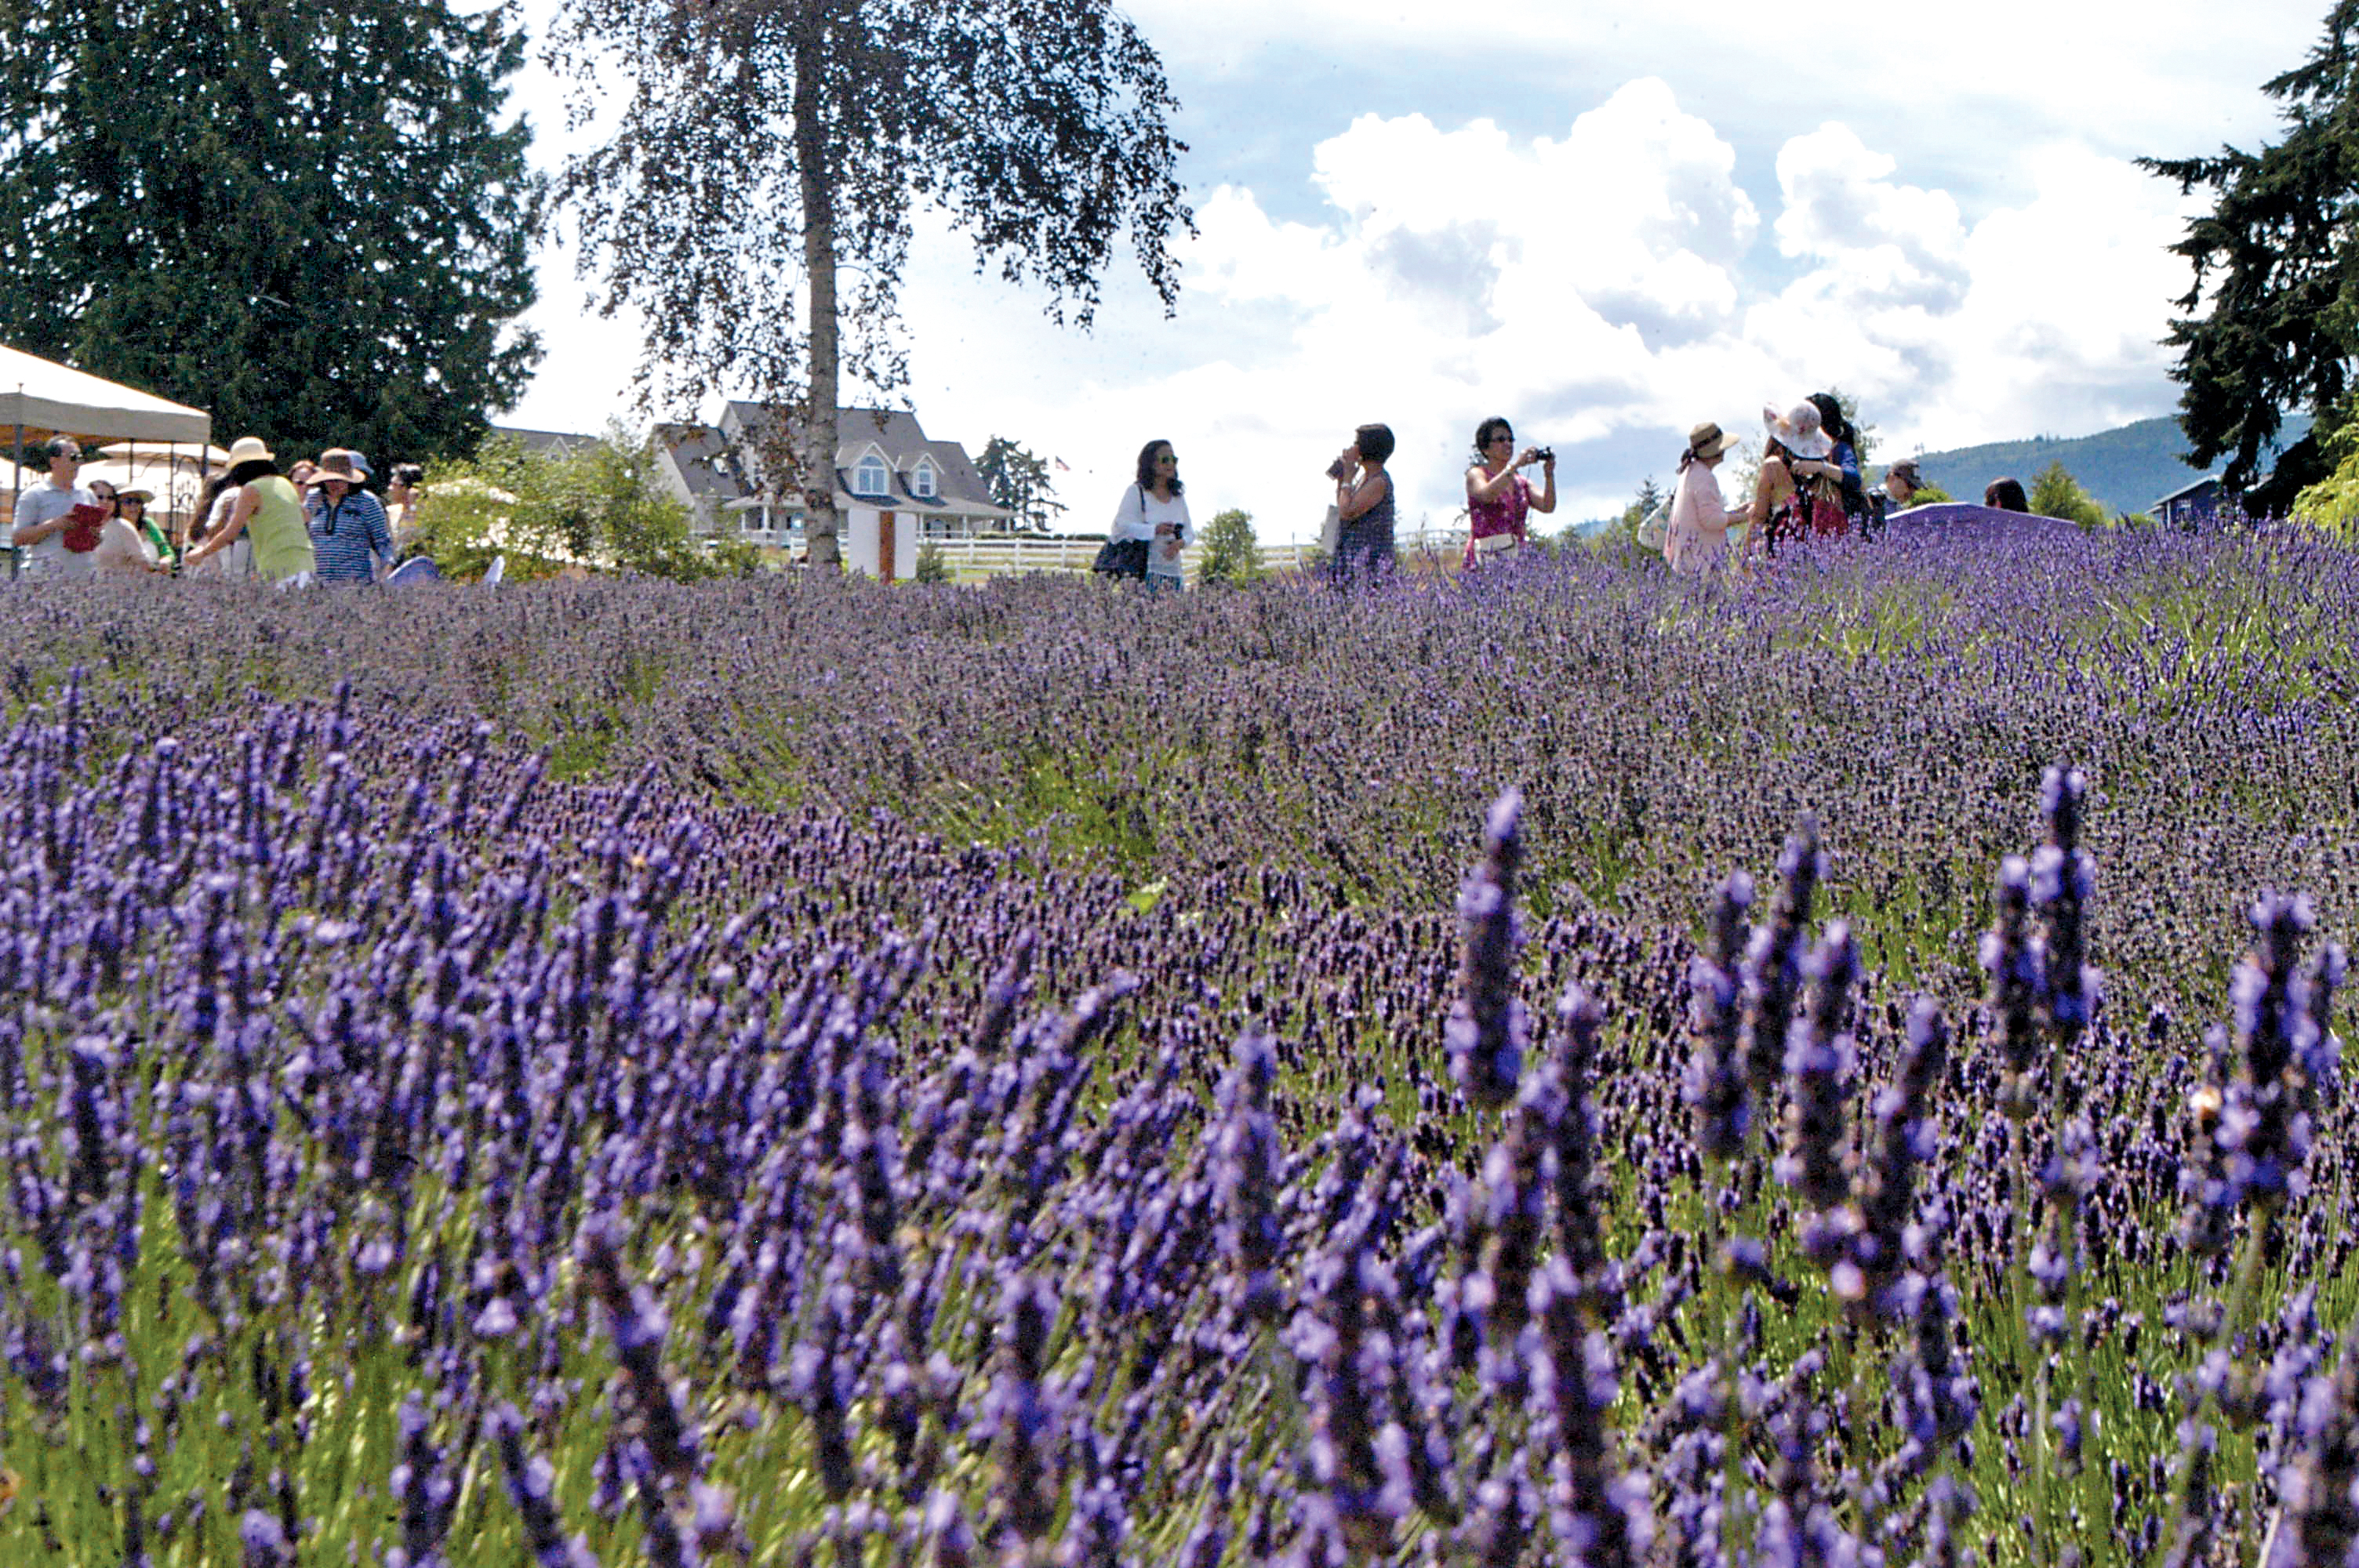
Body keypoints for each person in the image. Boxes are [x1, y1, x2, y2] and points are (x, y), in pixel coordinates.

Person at [180, 437, 315, 585]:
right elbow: (305, 517)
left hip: (278, 564)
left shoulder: (252, 489)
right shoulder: (285, 484)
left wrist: (203, 552)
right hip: (305, 561)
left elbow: (231, 532)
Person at [1745, 401, 1848, 559]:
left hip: (1783, 554)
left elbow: (1759, 516)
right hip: (1822, 555)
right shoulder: (1825, 467)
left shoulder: (1773, 466)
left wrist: (1747, 556)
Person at [1463, 416, 1555, 568]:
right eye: (1500, 440)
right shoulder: (1477, 474)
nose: (1507, 444)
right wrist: (1516, 465)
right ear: (1486, 449)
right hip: (1485, 559)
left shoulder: (1521, 483)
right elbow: (1486, 494)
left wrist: (1549, 475)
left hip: (1516, 558)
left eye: (1510, 440)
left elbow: (1547, 505)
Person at [10, 435, 105, 579]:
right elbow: (18, 538)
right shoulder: (34, 495)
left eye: (80, 458)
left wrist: (95, 533)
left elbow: (97, 540)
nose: (78, 463)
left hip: (84, 578)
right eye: (73, 457)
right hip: (46, 578)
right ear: (54, 461)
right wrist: (54, 525)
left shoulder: (87, 494)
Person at [1665, 421, 1749, 577]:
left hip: (1688, 560)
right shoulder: (1704, 477)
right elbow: (1711, 520)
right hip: (1701, 563)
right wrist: (1745, 517)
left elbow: (1706, 514)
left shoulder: (1691, 472)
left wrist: (1738, 510)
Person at [1110, 440, 1191, 593]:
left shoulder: (1178, 497)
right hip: (1143, 572)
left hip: (1174, 573)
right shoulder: (1136, 492)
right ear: (1151, 464)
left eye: (1173, 460)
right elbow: (1121, 526)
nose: (1171, 464)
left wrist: (1180, 543)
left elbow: (1190, 532)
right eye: (1165, 460)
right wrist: (1154, 530)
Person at [307, 447, 392, 583]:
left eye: (338, 480)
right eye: (329, 480)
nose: (333, 484)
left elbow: (382, 541)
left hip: (355, 583)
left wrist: (387, 569)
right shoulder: (313, 500)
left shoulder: (367, 502)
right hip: (318, 582)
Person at [1329, 423, 1397, 584]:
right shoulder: (1364, 479)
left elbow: (1348, 511)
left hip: (1370, 565)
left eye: (1356, 443)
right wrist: (1342, 480)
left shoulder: (1378, 482)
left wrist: (1347, 479)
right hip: (1348, 559)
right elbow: (1342, 508)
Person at [1805, 392, 1868, 530]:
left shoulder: (1840, 448)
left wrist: (1821, 467)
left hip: (1840, 524)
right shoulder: (1804, 451)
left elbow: (1853, 477)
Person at [111, 488, 177, 572]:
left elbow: (166, 551)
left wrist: (167, 561)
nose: (133, 505)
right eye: (128, 501)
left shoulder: (149, 525)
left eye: (137, 501)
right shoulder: (112, 529)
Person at [387, 463, 427, 554]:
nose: (390, 488)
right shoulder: (391, 513)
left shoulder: (424, 515)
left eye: (394, 485)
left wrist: (413, 506)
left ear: (406, 488)